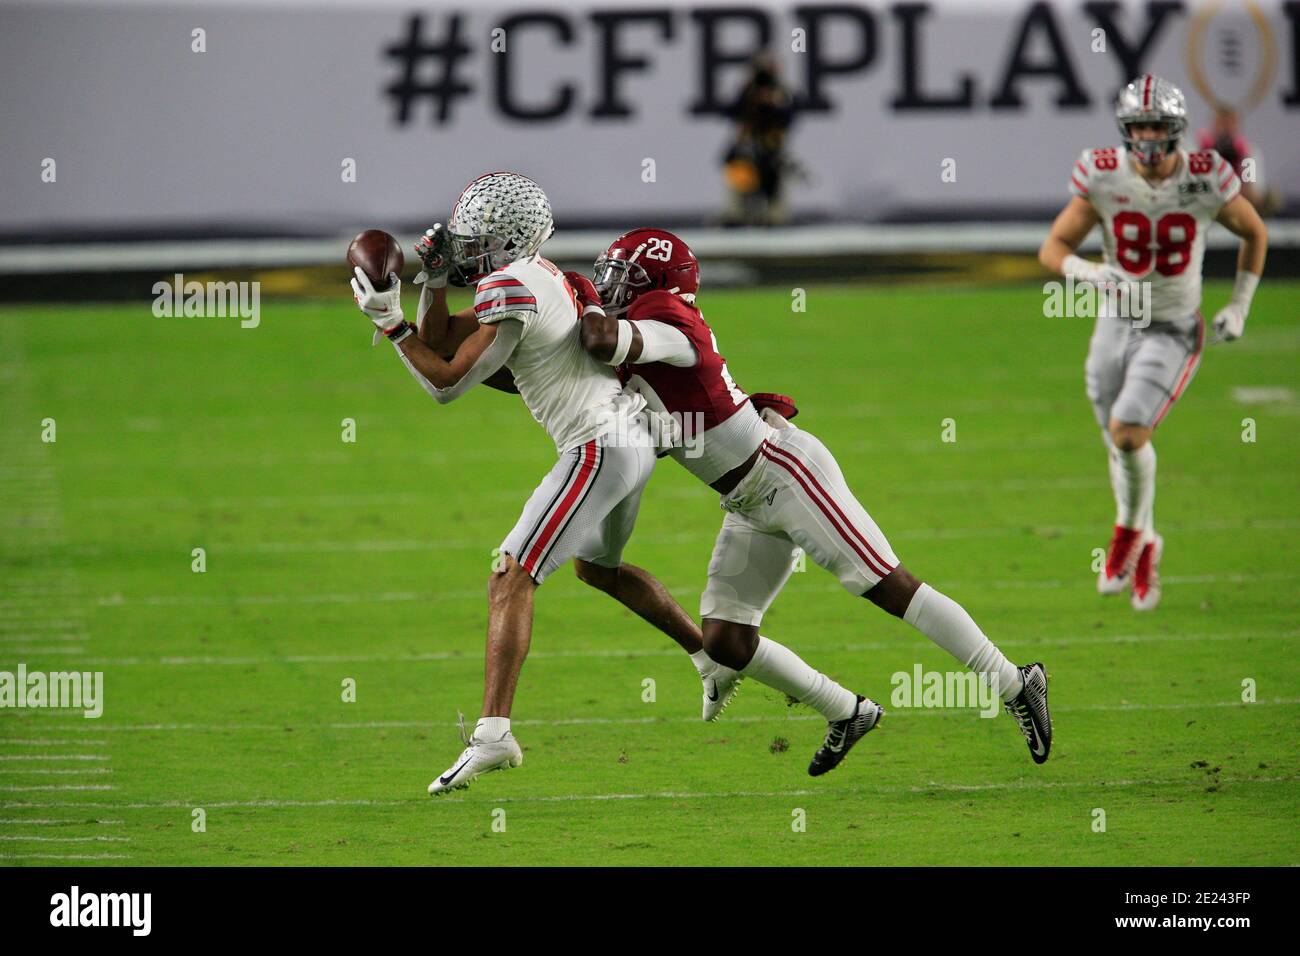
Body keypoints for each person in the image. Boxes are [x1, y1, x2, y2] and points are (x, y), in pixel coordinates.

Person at [567, 228, 1054, 773]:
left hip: (787, 476)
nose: (611, 288)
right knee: (726, 640)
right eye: (608, 275)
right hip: (747, 498)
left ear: (659, 288)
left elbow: (600, 340)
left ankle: (1015, 682)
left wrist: (581, 296)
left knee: (889, 586)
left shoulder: (669, 321)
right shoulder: (648, 329)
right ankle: (846, 713)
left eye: (625, 277)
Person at [349, 173, 737, 795]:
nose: (467, 245)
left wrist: (391, 324)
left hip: (598, 447)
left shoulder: (513, 286)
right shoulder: (538, 275)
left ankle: (494, 733)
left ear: (507, 242)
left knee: (511, 572)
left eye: (478, 239)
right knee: (597, 570)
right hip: (628, 441)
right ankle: (707, 654)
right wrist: (435, 283)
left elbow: (444, 381)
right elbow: (443, 339)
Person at [1038, 75, 1268, 610]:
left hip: (1171, 327)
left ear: (1176, 130)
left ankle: (1127, 534)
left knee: (1126, 432)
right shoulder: (1103, 174)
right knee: (1116, 442)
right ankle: (1147, 540)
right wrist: (1089, 272)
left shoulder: (1205, 177)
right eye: (1137, 125)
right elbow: (1052, 247)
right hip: (1115, 322)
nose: (1145, 135)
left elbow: (1255, 232)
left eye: (1156, 126)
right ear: (1123, 129)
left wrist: (1239, 305)